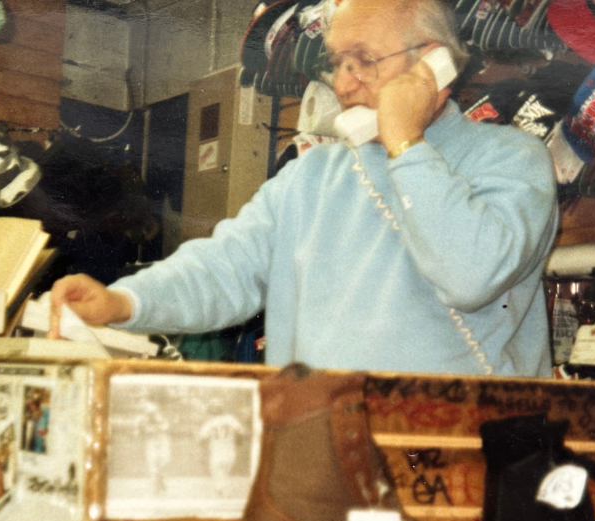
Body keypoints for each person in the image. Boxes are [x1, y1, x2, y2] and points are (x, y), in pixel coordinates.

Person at [49, 0, 558, 376]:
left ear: (432, 64)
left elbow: (470, 276)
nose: (342, 84)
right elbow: (226, 267)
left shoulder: (512, 161)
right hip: (316, 453)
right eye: (337, 62)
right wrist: (123, 302)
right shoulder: (312, 176)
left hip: (448, 459)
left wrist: (406, 143)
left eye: (362, 60)